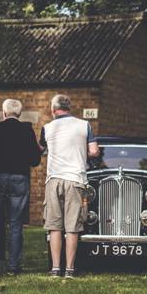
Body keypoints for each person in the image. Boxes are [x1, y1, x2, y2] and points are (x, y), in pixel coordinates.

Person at [40, 94, 99, 278]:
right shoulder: (84, 125)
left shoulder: (47, 128)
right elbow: (94, 151)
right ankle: (70, 270)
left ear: (53, 109)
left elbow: (40, 150)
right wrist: (81, 151)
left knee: (54, 226)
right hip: (76, 180)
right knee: (73, 226)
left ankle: (55, 268)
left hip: (54, 180)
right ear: (70, 107)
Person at [0, 99, 42, 275]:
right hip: (19, 178)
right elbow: (34, 160)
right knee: (16, 224)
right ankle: (13, 266)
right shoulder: (27, 131)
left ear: (4, 112)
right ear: (19, 113)